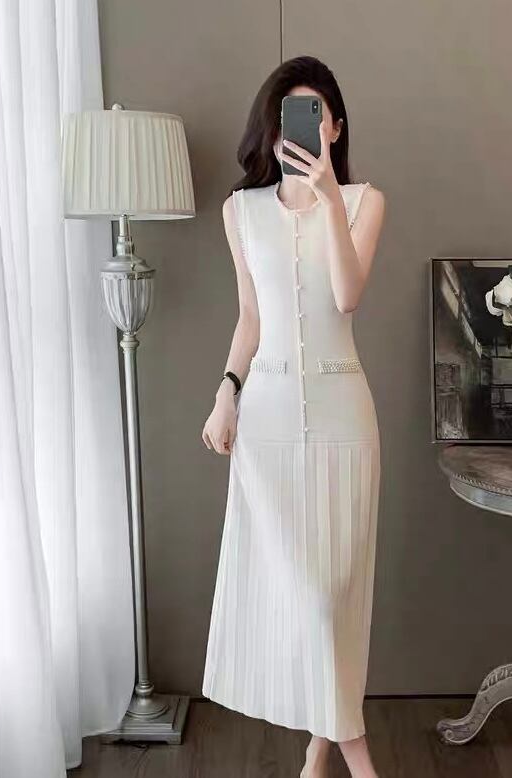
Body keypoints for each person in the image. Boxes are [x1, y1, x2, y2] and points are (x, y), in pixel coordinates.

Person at [201, 55, 386, 778]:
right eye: (287, 118)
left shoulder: (366, 202)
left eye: (315, 115)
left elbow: (346, 296)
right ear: (272, 130)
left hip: (345, 425)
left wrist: (330, 200)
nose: (300, 131)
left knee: (331, 602)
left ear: (334, 127)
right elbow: (250, 316)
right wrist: (226, 393)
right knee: (307, 601)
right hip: (268, 427)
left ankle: (318, 751)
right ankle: (351, 761)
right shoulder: (240, 213)